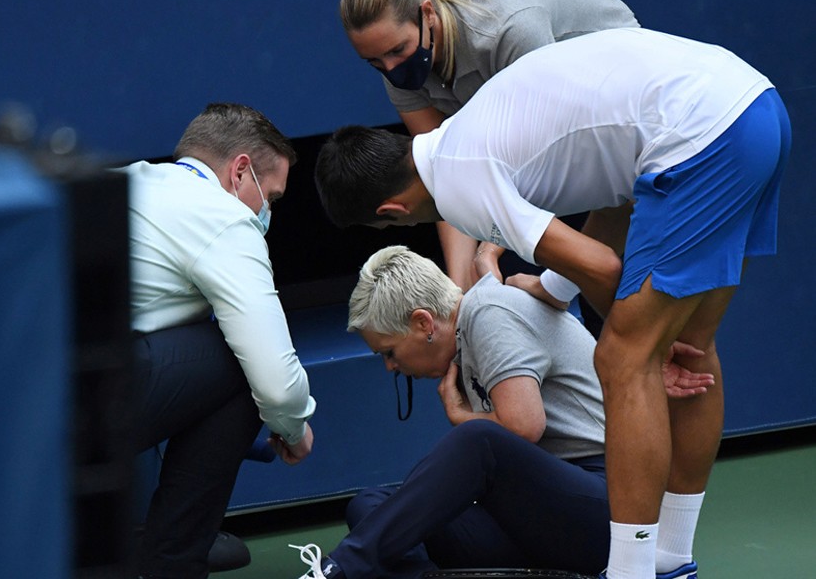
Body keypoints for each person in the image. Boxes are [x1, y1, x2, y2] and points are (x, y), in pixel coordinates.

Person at [313, 28, 791, 579]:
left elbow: (604, 267)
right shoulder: (468, 134)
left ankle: (634, 572)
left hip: (705, 135)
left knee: (624, 356)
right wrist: (553, 287)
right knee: (693, 347)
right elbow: (615, 201)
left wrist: (646, 347)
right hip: (754, 106)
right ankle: (672, 560)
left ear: (391, 211)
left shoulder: (460, 185)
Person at [291, 246, 714, 579]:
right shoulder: (466, 330)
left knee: (478, 442)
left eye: (389, 351)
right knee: (370, 506)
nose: (390, 366)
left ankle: (338, 571)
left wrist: (462, 419)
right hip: (541, 518)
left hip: (612, 506)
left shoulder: (487, 313)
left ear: (423, 323)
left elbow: (523, 426)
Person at [339, 0, 639, 293]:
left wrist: (490, 248)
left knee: (602, 279)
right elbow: (441, 179)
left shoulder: (508, 31)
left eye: (398, 49)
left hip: (622, 100)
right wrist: (458, 290)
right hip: (557, 144)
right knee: (503, 277)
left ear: (427, 14)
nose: (391, 69)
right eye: (375, 62)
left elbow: (547, 157)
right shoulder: (397, 70)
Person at [125, 102, 317, 579]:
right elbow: (275, 380)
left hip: (15, 393)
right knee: (241, 362)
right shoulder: (223, 217)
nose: (267, 211)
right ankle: (173, 564)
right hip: (78, 408)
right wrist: (293, 428)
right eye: (270, 196)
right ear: (239, 172)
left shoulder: (132, 179)